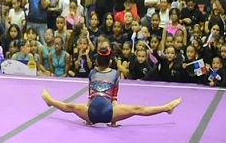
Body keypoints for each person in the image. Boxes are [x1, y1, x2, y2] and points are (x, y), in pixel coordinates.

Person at [41, 46, 181, 127]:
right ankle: (166, 108)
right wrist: (112, 121)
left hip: (93, 112)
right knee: (138, 109)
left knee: (69, 107)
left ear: (97, 60)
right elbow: (113, 97)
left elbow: (91, 96)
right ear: (110, 61)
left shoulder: (101, 73)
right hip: (107, 113)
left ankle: (50, 101)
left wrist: (89, 118)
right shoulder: (110, 73)